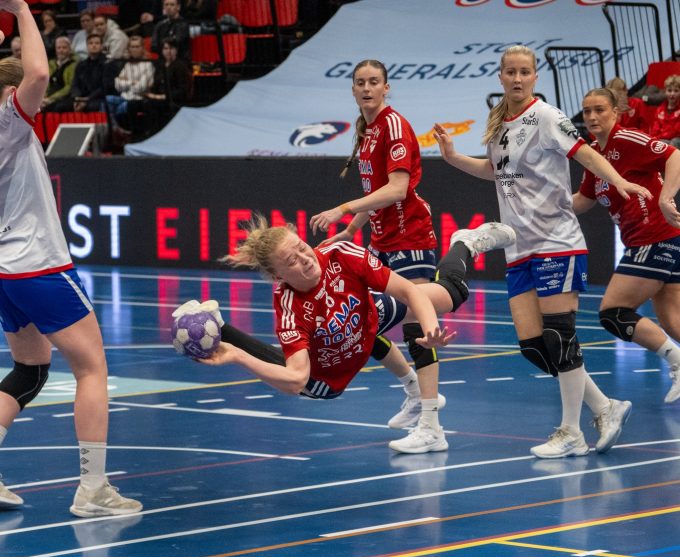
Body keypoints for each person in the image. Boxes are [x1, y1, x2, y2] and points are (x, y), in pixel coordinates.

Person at [433, 44, 651, 459]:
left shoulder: (547, 117)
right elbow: (494, 171)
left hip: (557, 242)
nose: (517, 78)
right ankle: (604, 406)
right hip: (519, 249)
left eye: (524, 72)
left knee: (559, 334)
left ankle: (572, 432)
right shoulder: (499, 125)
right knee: (535, 347)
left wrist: (619, 181)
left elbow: (585, 154)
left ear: (534, 77)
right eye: (510, 72)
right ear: (501, 77)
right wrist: (453, 157)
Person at [198, 215, 515, 454]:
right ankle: (224, 331)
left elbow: (408, 290)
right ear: (277, 276)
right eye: (292, 261)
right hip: (325, 377)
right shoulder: (291, 306)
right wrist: (237, 356)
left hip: (368, 316)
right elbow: (295, 379)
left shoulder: (339, 254)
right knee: (298, 362)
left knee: (453, 293)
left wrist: (430, 327)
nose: (305, 259)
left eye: (302, 248)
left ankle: (465, 243)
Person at [0, 0, 142, 517]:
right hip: (37, 263)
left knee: (30, 369)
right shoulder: (8, 121)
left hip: (4, 272)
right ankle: (93, 490)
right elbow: (40, 72)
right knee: (92, 368)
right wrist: (20, 8)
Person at [310, 59, 446, 438]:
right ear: (353, 89)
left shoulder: (394, 125)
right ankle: (413, 390)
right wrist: (350, 230)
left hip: (410, 237)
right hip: (381, 242)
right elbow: (376, 194)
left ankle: (431, 425)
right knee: (360, 322)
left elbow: (397, 190)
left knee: (417, 327)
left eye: (374, 82)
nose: (367, 88)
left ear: (386, 88)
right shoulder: (367, 131)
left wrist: (342, 209)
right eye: (361, 82)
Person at [572, 87, 680, 403]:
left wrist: (666, 197)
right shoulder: (593, 154)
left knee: (613, 312)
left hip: (654, 237)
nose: (592, 117)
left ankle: (676, 362)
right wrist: (541, 205)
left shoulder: (627, 140)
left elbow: (675, 156)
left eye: (600, 110)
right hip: (656, 241)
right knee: (673, 322)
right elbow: (583, 200)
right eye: (587, 111)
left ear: (615, 112)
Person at [137, 36, 191, 136]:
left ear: (176, 50)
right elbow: (155, 85)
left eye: (171, 48)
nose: (168, 51)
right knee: (135, 104)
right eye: (165, 48)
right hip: (158, 98)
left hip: (173, 100)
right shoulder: (160, 65)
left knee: (151, 105)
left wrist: (162, 96)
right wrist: (149, 92)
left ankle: (155, 133)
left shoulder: (180, 66)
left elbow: (182, 91)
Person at [106, 35, 154, 131]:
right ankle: (113, 129)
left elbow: (141, 87)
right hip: (124, 97)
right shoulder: (128, 64)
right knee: (106, 100)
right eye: (132, 47)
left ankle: (118, 130)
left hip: (138, 99)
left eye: (137, 47)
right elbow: (117, 85)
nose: (134, 49)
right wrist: (132, 82)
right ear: (129, 49)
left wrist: (125, 82)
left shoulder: (148, 64)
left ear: (142, 48)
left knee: (118, 109)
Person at [55, 32, 107, 112]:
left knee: (91, 107)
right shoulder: (81, 65)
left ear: (101, 46)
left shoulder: (107, 64)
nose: (93, 45)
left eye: (97, 43)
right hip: (81, 98)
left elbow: (104, 87)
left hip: (97, 98)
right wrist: (77, 98)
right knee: (60, 106)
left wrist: (87, 99)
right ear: (87, 46)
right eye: (90, 43)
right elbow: (75, 84)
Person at [41, 35, 77, 112]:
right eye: (59, 48)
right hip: (48, 96)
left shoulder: (74, 64)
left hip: (64, 97)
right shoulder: (51, 63)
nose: (61, 50)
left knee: (55, 107)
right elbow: (46, 83)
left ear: (69, 49)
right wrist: (44, 97)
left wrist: (51, 98)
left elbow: (69, 86)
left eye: (64, 48)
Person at [649, 74, 680, 148]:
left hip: (676, 140)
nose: (672, 94)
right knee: (655, 144)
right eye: (669, 90)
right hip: (663, 140)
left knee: (674, 141)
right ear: (665, 91)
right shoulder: (659, 110)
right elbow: (655, 130)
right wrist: (655, 139)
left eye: (676, 91)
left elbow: (676, 131)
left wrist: (661, 137)